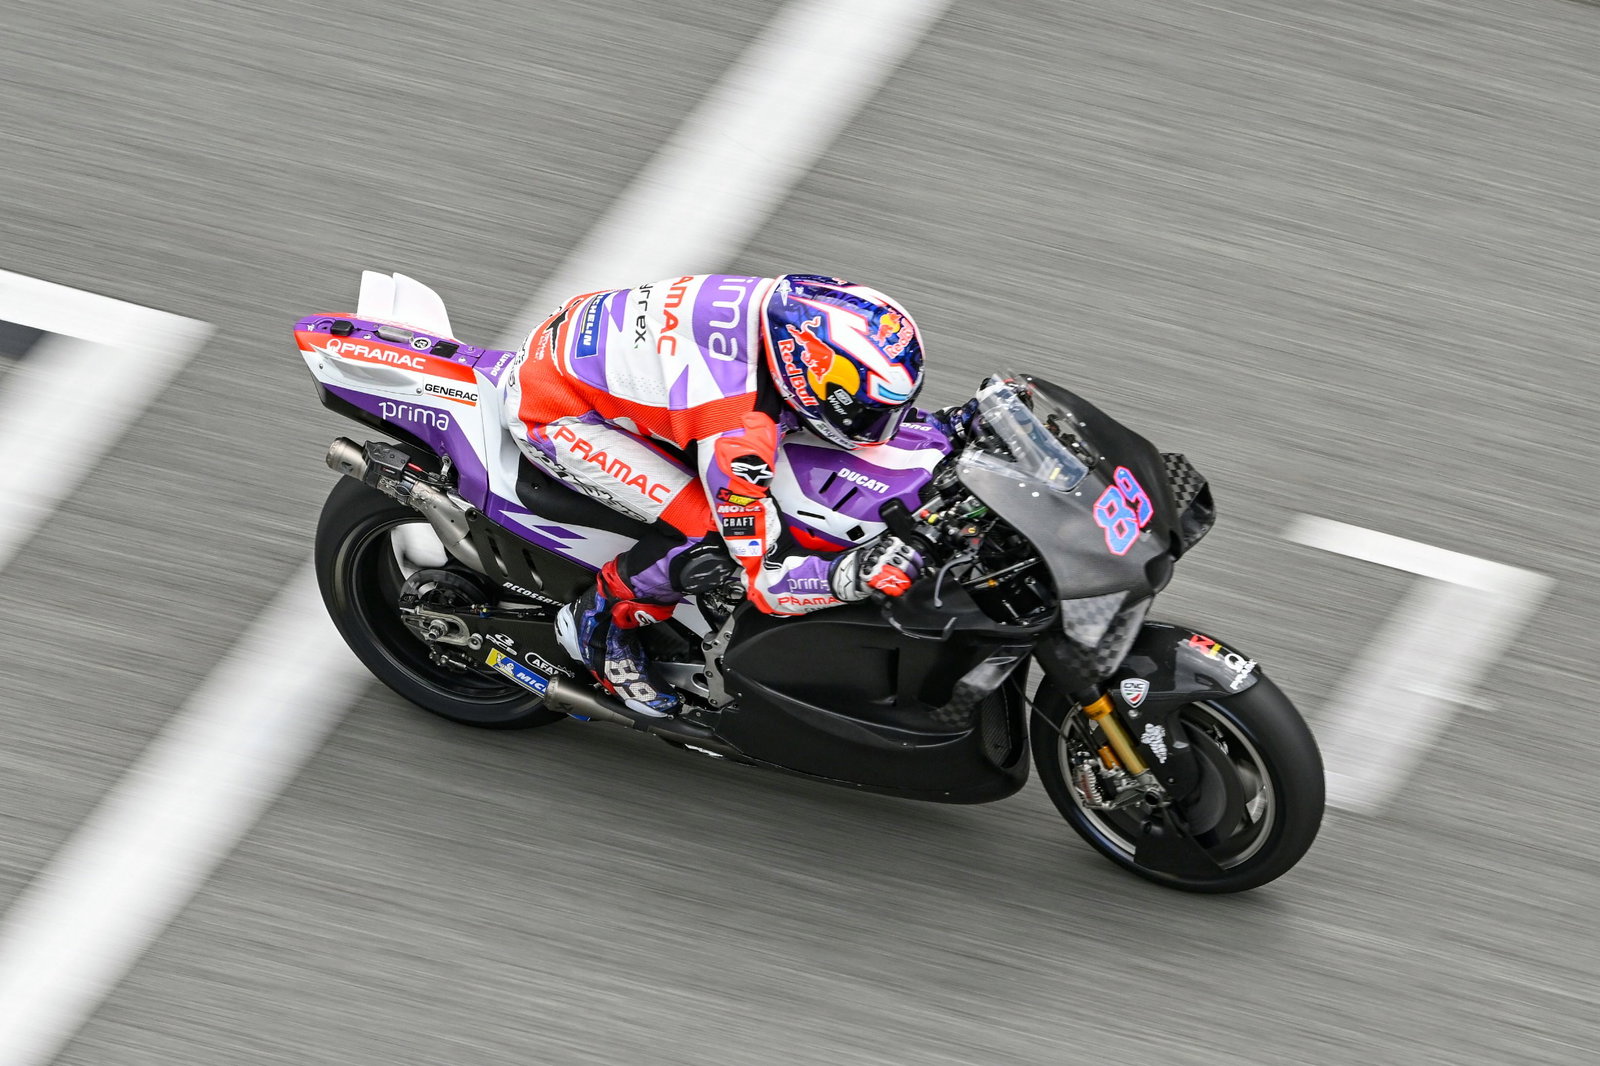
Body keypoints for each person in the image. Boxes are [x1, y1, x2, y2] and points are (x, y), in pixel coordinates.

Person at [504, 274, 969, 717]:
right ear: (804, 378)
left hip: (594, 342)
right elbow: (764, 581)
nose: (878, 431)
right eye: (867, 414)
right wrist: (851, 575)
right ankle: (598, 628)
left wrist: (952, 424)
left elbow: (851, 374)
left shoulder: (799, 307)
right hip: (557, 410)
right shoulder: (736, 432)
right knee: (707, 533)